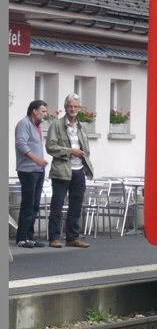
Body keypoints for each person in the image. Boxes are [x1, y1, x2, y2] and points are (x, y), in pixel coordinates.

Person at [45, 93, 95, 248]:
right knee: (57, 205)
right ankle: (54, 238)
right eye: (70, 106)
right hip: (62, 170)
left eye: (75, 106)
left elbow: (86, 148)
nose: (73, 109)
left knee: (76, 205)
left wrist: (83, 153)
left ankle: (73, 238)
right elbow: (50, 147)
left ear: (79, 108)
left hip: (79, 170)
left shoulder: (81, 127)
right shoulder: (56, 124)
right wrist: (70, 151)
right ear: (65, 107)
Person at [13, 99, 49, 248]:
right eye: (44, 111)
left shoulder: (36, 126)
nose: (45, 114)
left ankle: (29, 236)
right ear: (34, 111)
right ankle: (21, 238)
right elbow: (21, 144)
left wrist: (40, 164)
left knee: (34, 205)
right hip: (28, 170)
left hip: (38, 170)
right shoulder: (24, 124)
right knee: (28, 204)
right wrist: (36, 160)